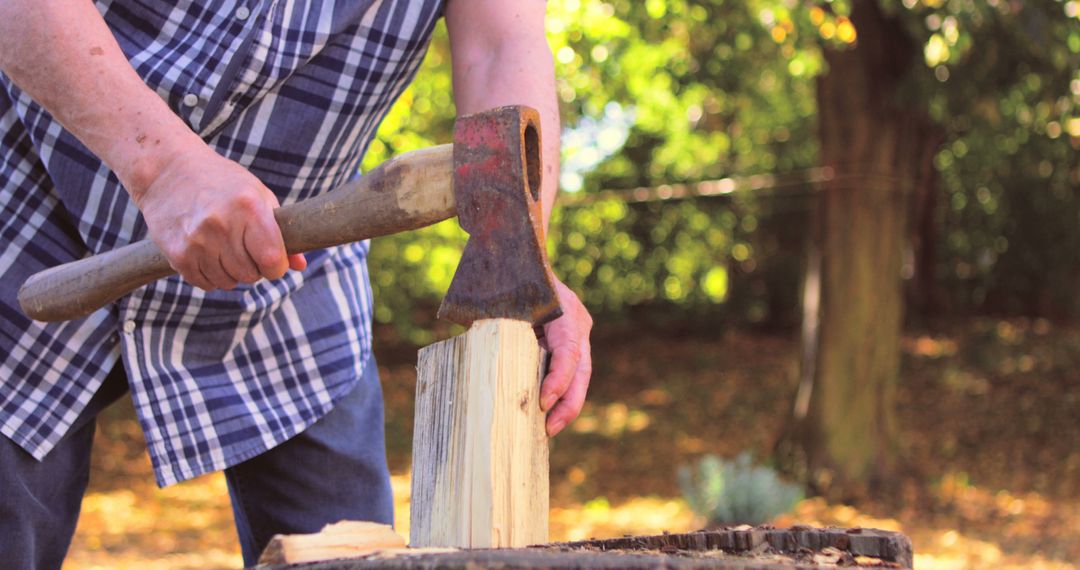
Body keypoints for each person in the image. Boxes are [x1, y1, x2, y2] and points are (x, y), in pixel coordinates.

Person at [0, 1, 593, 567]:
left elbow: (501, 42)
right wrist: (165, 168)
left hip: (289, 285)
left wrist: (525, 254)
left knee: (351, 558)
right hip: (27, 215)